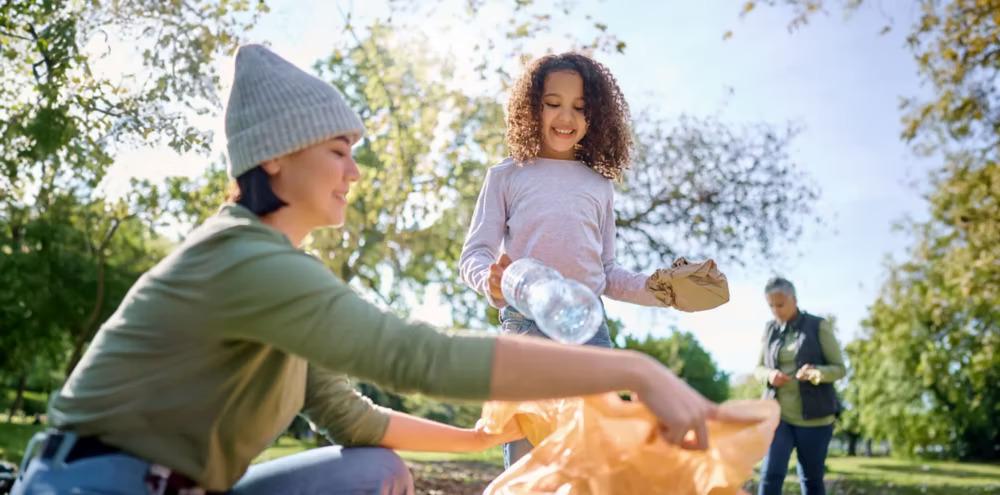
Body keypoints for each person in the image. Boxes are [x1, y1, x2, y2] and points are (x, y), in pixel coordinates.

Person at [12, 45, 718, 495]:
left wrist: (480, 436)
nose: (355, 169)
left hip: (187, 485)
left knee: (375, 471)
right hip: (93, 482)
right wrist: (636, 370)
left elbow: (349, 416)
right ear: (275, 158)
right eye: (338, 150)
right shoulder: (241, 258)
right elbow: (414, 354)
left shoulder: (286, 273)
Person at [459, 52, 707, 467]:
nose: (565, 116)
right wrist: (491, 280)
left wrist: (660, 289)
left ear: (597, 116)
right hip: (525, 328)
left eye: (579, 107)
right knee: (527, 461)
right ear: (531, 108)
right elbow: (475, 254)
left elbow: (606, 272)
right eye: (552, 103)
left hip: (589, 331)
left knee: (591, 457)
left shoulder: (600, 186)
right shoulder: (505, 176)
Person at [754, 277, 846, 495]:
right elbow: (758, 367)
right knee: (770, 475)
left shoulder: (818, 326)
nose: (776, 310)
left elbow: (840, 368)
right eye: (771, 306)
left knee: (811, 479)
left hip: (815, 418)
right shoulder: (769, 330)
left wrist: (817, 373)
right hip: (779, 416)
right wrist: (770, 375)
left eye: (780, 304)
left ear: (794, 299)